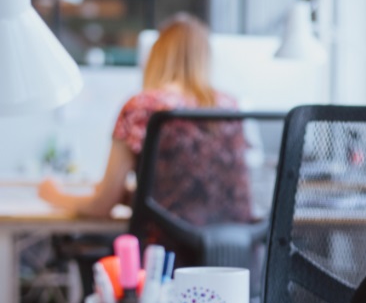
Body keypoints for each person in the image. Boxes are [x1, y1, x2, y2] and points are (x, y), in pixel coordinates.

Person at [38, 13, 249, 233]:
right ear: (205, 59)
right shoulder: (230, 106)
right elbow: (200, 198)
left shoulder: (142, 107)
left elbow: (101, 205)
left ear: (157, 56)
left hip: (166, 257)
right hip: (235, 256)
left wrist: (53, 194)